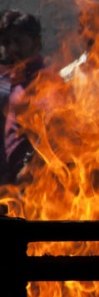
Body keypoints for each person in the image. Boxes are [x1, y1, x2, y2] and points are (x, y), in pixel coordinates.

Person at [0, 10, 47, 182]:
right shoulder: (6, 80)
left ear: (36, 43)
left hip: (29, 186)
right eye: (5, 42)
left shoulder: (47, 81)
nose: (11, 49)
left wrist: (32, 166)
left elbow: (55, 134)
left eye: (18, 41)